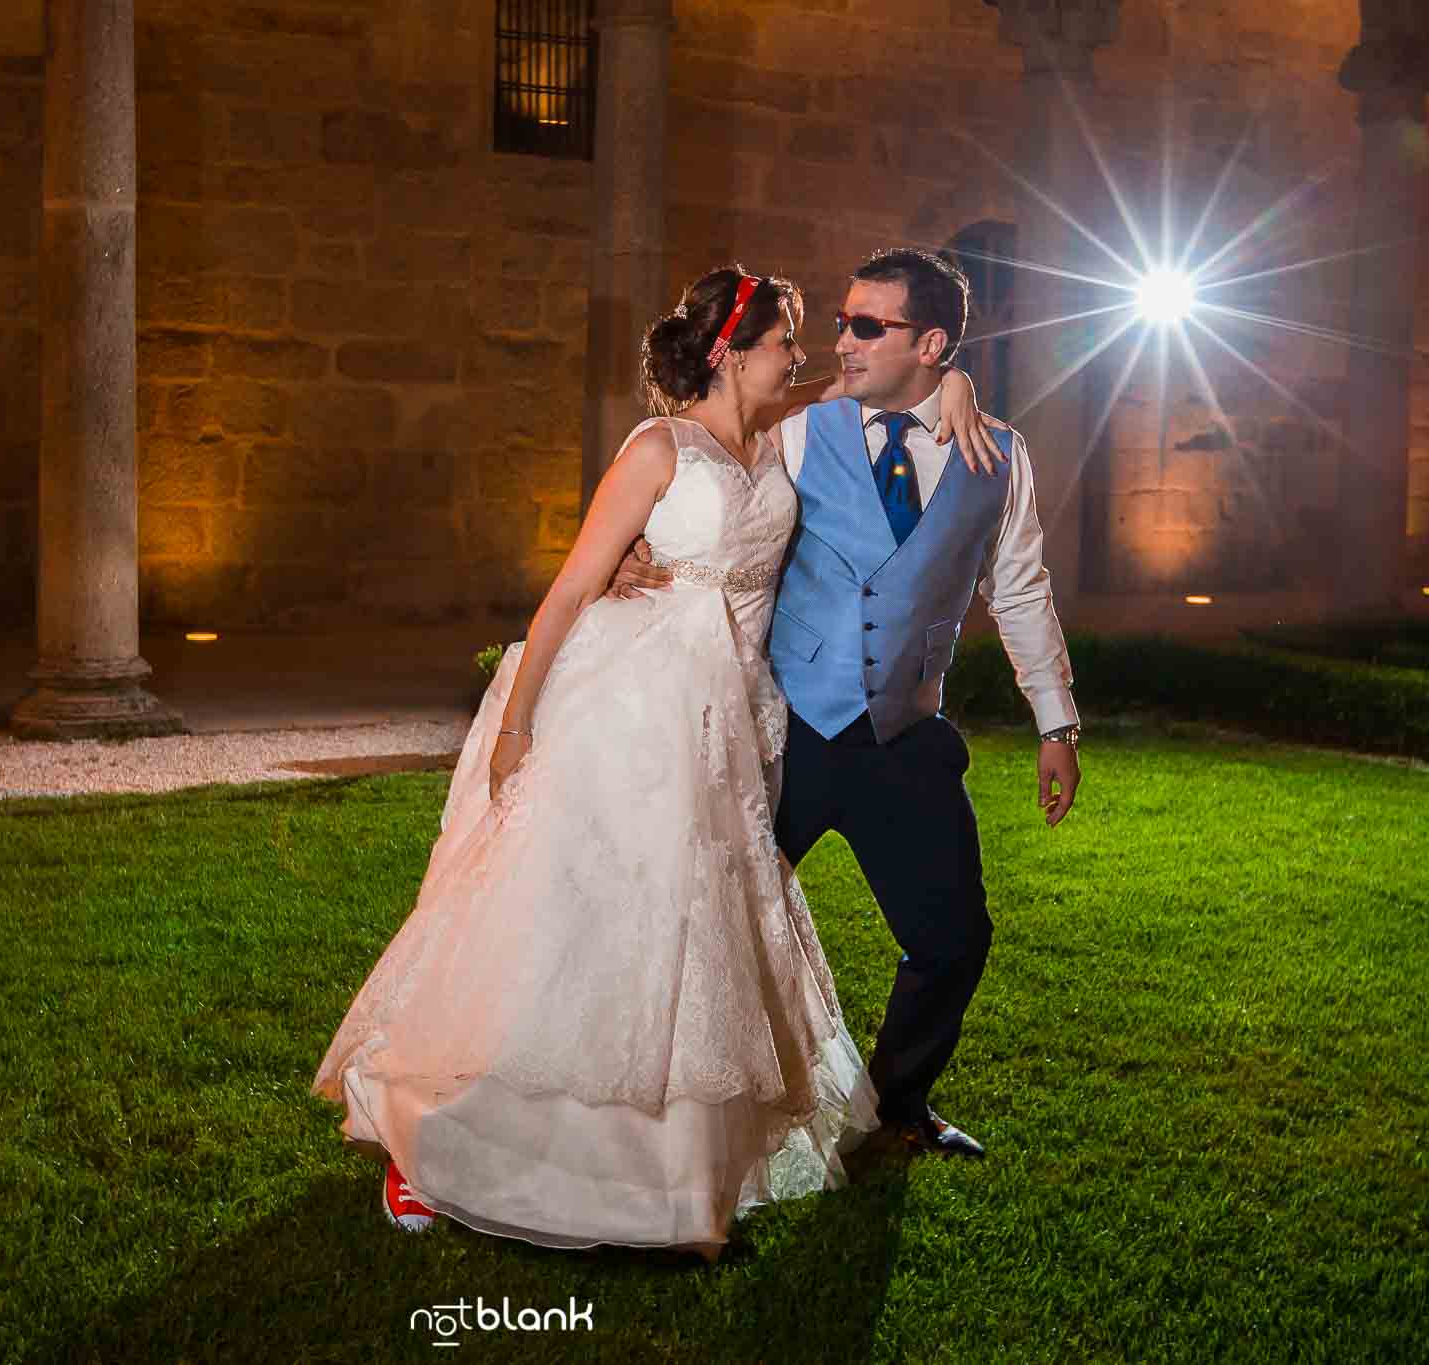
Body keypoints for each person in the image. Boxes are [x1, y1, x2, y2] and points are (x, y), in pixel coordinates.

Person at [312, 267, 998, 1259]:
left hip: (733, 719)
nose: (800, 357)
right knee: (597, 932)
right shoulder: (654, 449)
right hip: (633, 707)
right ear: (729, 353)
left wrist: (963, 386)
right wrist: (513, 726)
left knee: (698, 941)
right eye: (783, 343)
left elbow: (904, 382)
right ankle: (441, 1142)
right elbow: (565, 592)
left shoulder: (781, 443)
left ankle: (672, 1189)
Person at [616, 247, 1082, 1160]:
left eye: (869, 325)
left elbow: (1021, 590)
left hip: (902, 735)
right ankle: (646, 1107)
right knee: (695, 914)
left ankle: (897, 1106)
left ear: (932, 342)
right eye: (839, 321)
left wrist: (1055, 723)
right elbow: (704, 478)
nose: (843, 339)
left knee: (954, 936)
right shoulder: (801, 432)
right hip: (782, 727)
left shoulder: (1000, 458)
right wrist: (639, 549)